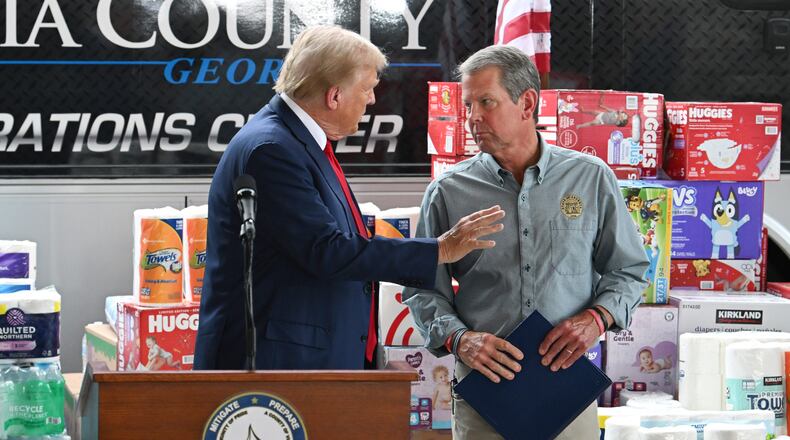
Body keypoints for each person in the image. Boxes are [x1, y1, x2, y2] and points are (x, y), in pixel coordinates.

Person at [193, 26, 505, 371]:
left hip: (308, 359)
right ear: (334, 96)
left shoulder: (295, 141)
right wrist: (439, 249)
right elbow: (326, 250)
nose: (372, 100)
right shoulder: (272, 150)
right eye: (368, 88)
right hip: (280, 365)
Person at [403, 45, 649, 439]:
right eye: (468, 105)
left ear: (527, 103)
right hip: (485, 394)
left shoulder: (590, 178)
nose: (472, 118)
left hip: (566, 391)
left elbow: (630, 269)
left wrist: (596, 319)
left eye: (486, 102)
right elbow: (420, 289)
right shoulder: (448, 191)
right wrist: (459, 339)